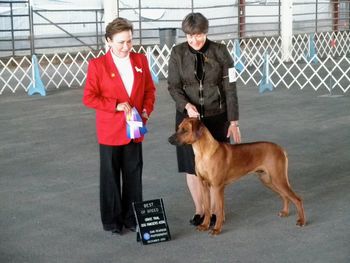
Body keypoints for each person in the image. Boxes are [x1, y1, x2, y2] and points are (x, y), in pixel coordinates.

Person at [83, 17, 156, 235]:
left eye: (129, 42)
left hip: (134, 128)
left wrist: (145, 111)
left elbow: (149, 91)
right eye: (121, 42)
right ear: (108, 41)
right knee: (110, 177)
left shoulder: (141, 60)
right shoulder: (97, 65)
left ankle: (133, 218)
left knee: (134, 175)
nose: (126, 47)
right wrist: (115, 105)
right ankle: (112, 220)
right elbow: (89, 98)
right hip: (110, 131)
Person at [167, 12, 241, 226]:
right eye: (189, 36)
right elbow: (173, 86)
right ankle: (200, 210)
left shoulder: (220, 52)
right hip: (187, 121)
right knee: (192, 167)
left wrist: (233, 119)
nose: (194, 40)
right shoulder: (177, 53)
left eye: (198, 35)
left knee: (217, 170)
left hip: (216, 117)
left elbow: (230, 88)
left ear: (205, 32)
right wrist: (185, 105)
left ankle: (218, 212)